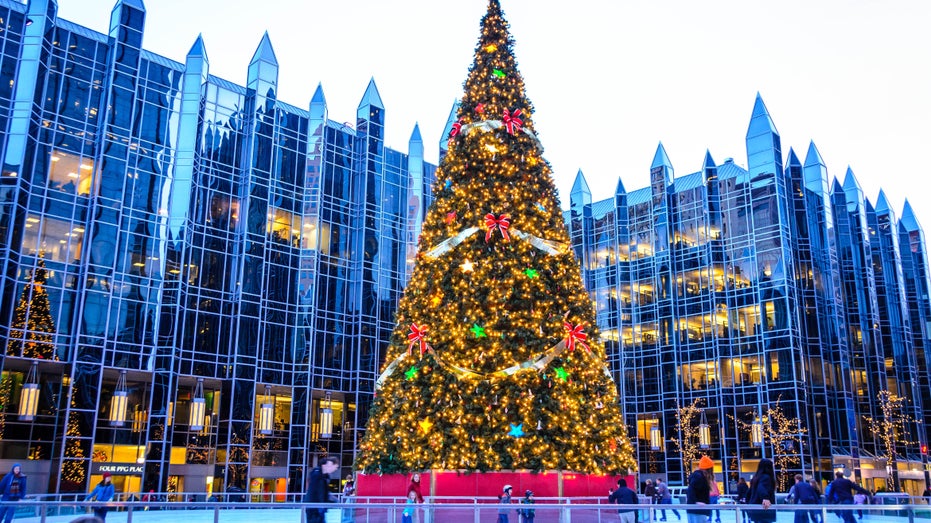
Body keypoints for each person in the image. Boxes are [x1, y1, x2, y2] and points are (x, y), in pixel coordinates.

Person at [304, 456, 339, 523]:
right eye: (335, 467)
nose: (335, 469)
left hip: (319, 508)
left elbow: (322, 492)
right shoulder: (317, 474)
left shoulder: (324, 477)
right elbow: (316, 492)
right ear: (330, 464)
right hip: (314, 509)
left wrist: (330, 500)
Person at [746, 459, 776, 523]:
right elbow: (761, 488)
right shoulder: (766, 477)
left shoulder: (756, 478)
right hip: (764, 510)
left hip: (755, 509)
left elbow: (748, 493)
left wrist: (749, 504)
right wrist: (765, 498)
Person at [686, 457, 713, 523]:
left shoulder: (699, 476)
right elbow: (690, 490)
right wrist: (695, 502)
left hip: (697, 509)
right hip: (697, 510)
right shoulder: (699, 477)